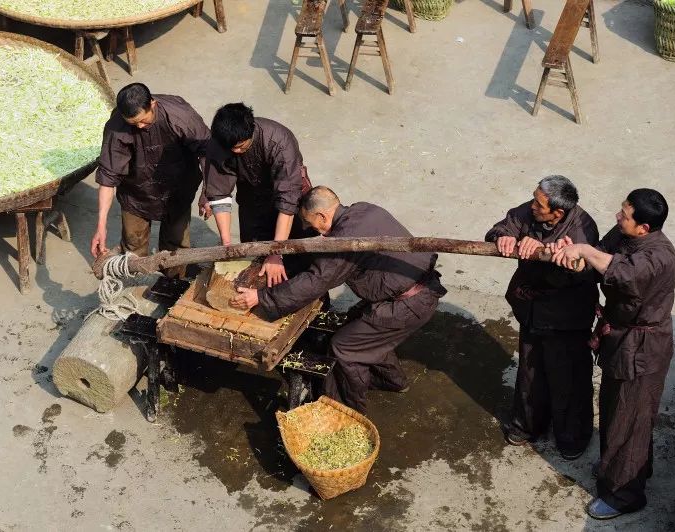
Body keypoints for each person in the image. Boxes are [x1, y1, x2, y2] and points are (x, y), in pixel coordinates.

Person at [231, 186, 446, 414]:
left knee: (344, 348)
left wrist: (262, 297)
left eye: (313, 225)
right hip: (420, 288)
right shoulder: (363, 210)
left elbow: (317, 280)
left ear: (322, 215)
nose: (318, 232)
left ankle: (345, 412)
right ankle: (393, 381)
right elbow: (324, 260)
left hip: (409, 304)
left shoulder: (344, 240)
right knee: (357, 326)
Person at [550, 189, 675, 519]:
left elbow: (624, 273)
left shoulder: (659, 257)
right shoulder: (623, 235)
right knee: (614, 410)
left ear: (644, 229)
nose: (618, 218)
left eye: (625, 215)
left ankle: (624, 495)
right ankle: (623, 469)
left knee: (629, 421)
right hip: (620, 340)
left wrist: (585, 250)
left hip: (642, 351)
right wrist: (576, 256)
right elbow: (600, 260)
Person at [485, 175, 599, 459]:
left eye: (539, 203)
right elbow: (504, 225)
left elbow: (578, 274)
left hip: (566, 319)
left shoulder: (584, 228)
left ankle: (571, 438)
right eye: (534, 199)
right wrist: (505, 237)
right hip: (531, 311)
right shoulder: (531, 210)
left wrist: (545, 254)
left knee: (568, 379)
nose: (532, 206)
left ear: (557, 213)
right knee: (530, 371)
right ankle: (526, 426)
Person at [90, 83, 210, 278]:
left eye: (143, 121)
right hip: (136, 193)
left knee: (176, 248)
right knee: (133, 247)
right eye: (133, 123)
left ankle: (174, 280)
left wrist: (208, 192)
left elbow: (207, 151)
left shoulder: (179, 116)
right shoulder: (117, 127)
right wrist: (101, 226)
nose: (139, 127)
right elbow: (107, 178)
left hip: (177, 188)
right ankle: (133, 284)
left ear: (153, 104)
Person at [203, 103, 312, 287]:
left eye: (240, 146)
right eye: (231, 149)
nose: (236, 152)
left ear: (251, 129)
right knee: (255, 249)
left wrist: (276, 252)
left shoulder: (279, 142)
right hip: (252, 196)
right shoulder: (219, 144)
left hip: (290, 198)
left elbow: (287, 202)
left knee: (298, 254)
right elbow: (219, 193)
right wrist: (227, 244)